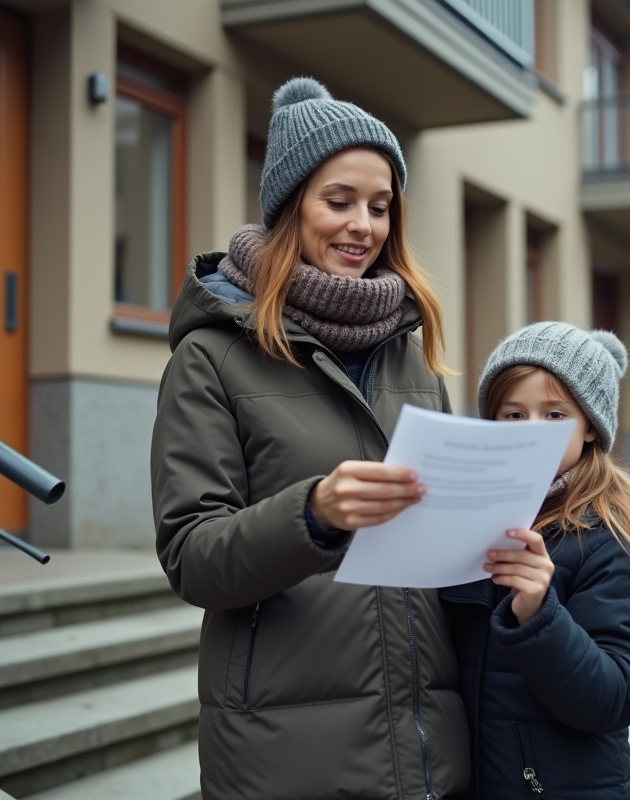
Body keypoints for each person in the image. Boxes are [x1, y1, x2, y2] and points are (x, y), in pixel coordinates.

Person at [151, 77, 469, 800]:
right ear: (290, 207)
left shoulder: (411, 357)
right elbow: (192, 557)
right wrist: (313, 514)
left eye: (381, 207)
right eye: (340, 201)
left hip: (429, 751)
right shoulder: (211, 358)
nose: (364, 225)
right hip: (286, 755)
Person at [440, 321, 630, 800]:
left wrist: (540, 616)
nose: (532, 432)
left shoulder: (609, 536)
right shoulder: (475, 517)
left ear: (591, 428)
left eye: (554, 415)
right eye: (513, 416)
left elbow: (618, 696)